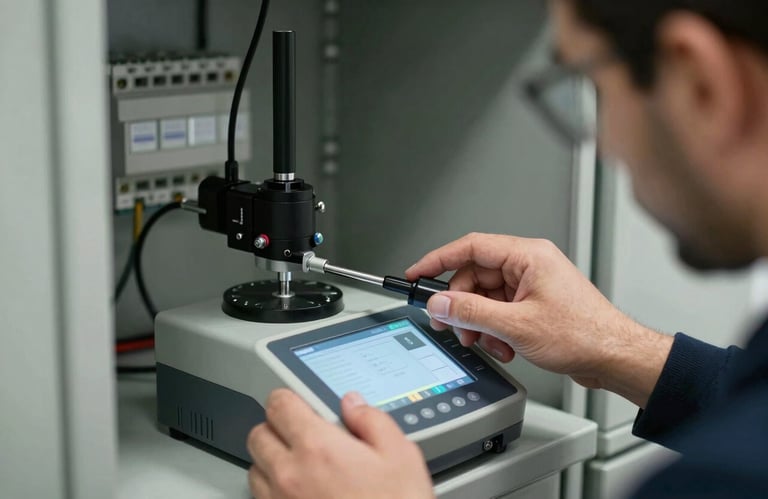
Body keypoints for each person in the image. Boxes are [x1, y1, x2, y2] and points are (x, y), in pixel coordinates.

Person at [246, 0, 768, 497]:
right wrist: (614, 348)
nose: (606, 144)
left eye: (595, 89)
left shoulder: (723, 479)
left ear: (703, 84)